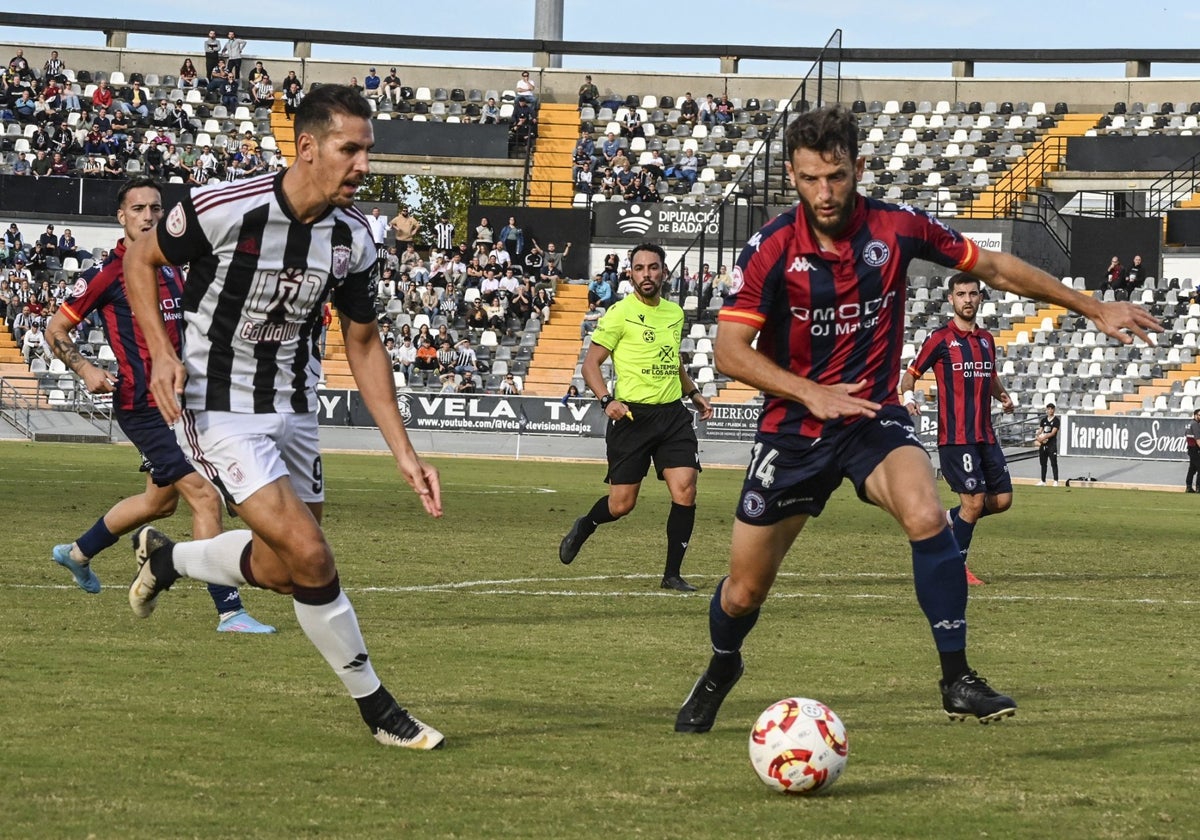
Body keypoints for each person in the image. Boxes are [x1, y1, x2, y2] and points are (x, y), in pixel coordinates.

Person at [673, 105, 1160, 734]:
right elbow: (728, 352)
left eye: (838, 176)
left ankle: (956, 677)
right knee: (743, 592)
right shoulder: (770, 250)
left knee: (929, 513)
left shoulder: (896, 228)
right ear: (792, 177)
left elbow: (990, 267)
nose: (825, 192)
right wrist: (810, 393)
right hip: (793, 432)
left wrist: (1089, 305)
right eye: (811, 179)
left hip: (873, 417)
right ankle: (721, 667)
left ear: (859, 169)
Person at [122, 84, 445, 750]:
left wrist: (404, 453)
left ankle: (171, 558)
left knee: (281, 570)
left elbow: (362, 342)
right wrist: (159, 353)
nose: (363, 164)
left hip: (294, 410)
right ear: (306, 147)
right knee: (312, 553)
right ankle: (379, 709)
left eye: (367, 150)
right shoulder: (222, 208)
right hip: (216, 406)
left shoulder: (354, 239)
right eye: (349, 149)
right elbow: (139, 258)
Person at [43, 177, 274, 633]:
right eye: (139, 209)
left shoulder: (168, 266)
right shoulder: (107, 274)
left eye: (155, 207)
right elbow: (55, 329)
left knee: (159, 503)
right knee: (205, 496)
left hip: (182, 400)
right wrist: (87, 370)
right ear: (121, 217)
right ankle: (230, 611)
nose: (149, 216)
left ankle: (77, 553)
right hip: (143, 405)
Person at [558, 243, 714, 592]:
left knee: (685, 489)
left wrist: (694, 393)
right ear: (630, 273)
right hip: (631, 417)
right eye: (640, 268)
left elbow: (672, 361)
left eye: (653, 267)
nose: (647, 274)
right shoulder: (618, 313)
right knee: (621, 504)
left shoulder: (674, 314)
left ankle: (672, 574)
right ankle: (585, 525)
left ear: (663, 272)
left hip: (673, 415)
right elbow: (590, 365)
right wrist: (606, 400)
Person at [900, 274, 1016, 587]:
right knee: (975, 502)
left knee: (1002, 499)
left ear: (980, 298)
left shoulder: (986, 340)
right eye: (961, 294)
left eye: (973, 294)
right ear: (951, 299)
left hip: (985, 435)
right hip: (956, 438)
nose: (967, 299)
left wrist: (1001, 394)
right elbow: (909, 376)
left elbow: (988, 376)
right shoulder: (940, 339)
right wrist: (909, 398)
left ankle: (946, 521)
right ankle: (955, 568)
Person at [1035, 403, 1060, 486]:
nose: (1050, 410)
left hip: (1051, 445)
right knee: (1043, 463)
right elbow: (1040, 430)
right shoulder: (1044, 420)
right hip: (1043, 445)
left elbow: (1053, 433)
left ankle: (1056, 480)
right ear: (1046, 410)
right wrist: (1038, 437)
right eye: (1048, 409)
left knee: (1053, 462)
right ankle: (1043, 480)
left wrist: (1044, 437)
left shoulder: (1056, 420)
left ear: (1054, 410)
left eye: (1052, 409)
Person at [1186, 408, 1200, 493]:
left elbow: (1186, 436)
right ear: (1195, 415)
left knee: (1192, 469)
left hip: (1191, 448)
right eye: (1199, 415)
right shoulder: (1195, 425)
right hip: (1195, 449)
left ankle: (1188, 486)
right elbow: (1198, 439)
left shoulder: (1190, 423)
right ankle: (1198, 487)